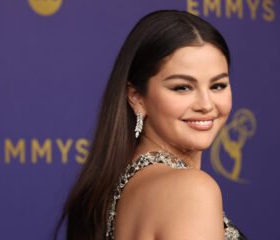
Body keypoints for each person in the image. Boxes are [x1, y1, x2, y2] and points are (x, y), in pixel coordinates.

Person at [55, 9, 247, 240]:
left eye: (218, 85)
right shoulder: (191, 191)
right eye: (182, 87)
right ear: (136, 96)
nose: (206, 104)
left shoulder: (113, 189)